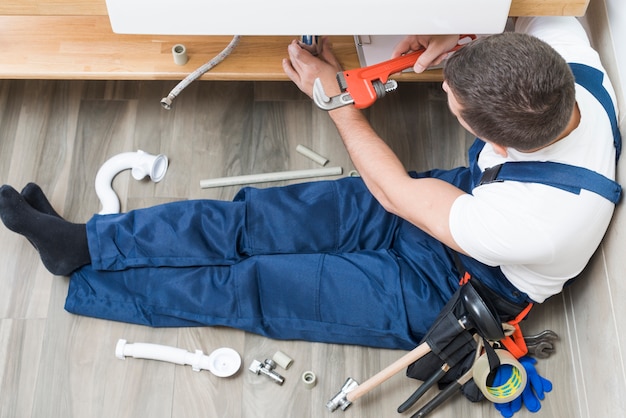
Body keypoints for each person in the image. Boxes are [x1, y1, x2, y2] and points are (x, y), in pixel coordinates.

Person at [0, 17, 620, 353]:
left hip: (454, 286)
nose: (446, 99)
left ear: (501, 145)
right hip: (461, 200)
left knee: (256, 287)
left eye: (451, 104)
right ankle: (81, 243)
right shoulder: (565, 51)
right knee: (254, 222)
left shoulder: (539, 219)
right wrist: (454, 38)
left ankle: (95, 282)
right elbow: (530, 14)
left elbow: (397, 194)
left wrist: (338, 104)